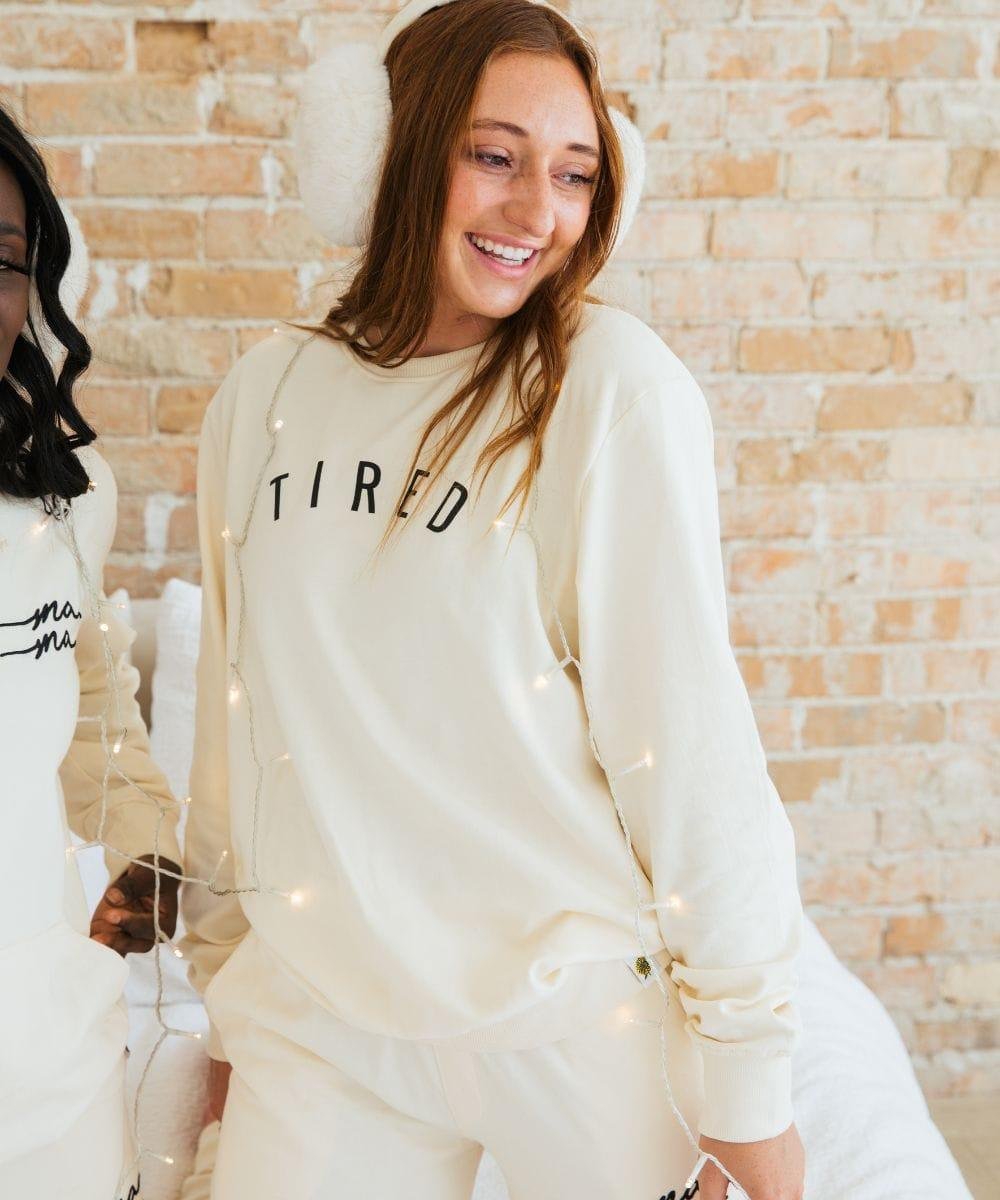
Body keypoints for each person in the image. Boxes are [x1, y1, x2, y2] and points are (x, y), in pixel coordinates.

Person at [180, 2, 806, 1198]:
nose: (536, 212)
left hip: (576, 1021)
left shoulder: (611, 390)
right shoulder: (264, 398)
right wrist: (223, 994)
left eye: (574, 174)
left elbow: (689, 751)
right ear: (384, 149)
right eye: (493, 155)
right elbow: (234, 724)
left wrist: (747, 1086)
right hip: (323, 1016)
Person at [0, 104, 184, 1197]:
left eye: (3, 262)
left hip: (43, 1048)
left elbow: (93, 698)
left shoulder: (66, 500)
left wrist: (144, 848)